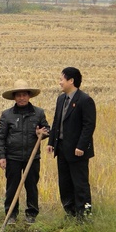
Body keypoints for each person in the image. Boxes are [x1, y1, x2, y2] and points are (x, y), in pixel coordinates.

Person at [0, 79, 50, 225]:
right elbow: (1, 137)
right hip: (12, 157)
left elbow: (47, 130)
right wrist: (2, 156)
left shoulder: (38, 113)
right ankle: (11, 214)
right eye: (18, 95)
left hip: (32, 158)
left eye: (24, 95)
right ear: (14, 97)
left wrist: (42, 133)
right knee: (12, 187)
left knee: (31, 186)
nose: (21, 98)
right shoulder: (7, 115)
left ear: (29, 96)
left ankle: (31, 213)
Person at [47, 67, 96, 220]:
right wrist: (51, 142)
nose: (59, 82)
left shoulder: (85, 100)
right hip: (61, 149)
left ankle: (85, 216)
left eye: (61, 79)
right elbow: (56, 121)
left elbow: (89, 126)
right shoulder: (61, 99)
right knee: (65, 183)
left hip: (77, 151)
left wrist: (81, 146)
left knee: (80, 184)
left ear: (71, 80)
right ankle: (70, 213)